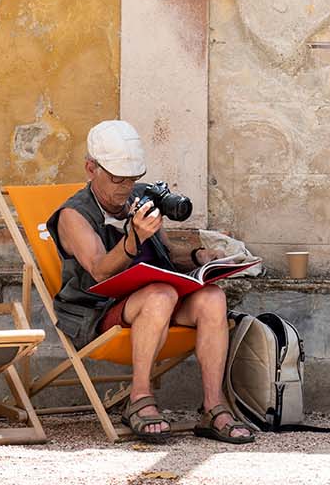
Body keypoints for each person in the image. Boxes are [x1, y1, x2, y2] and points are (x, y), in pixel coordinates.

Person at [48, 120, 255, 445]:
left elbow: (169, 256)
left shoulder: (139, 198)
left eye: (132, 179)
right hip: (100, 310)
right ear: (91, 168)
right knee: (159, 294)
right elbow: (100, 271)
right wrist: (132, 238)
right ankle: (139, 398)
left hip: (158, 300)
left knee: (212, 297)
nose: (125, 188)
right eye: (117, 179)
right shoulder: (73, 215)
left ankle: (213, 406)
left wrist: (201, 257)